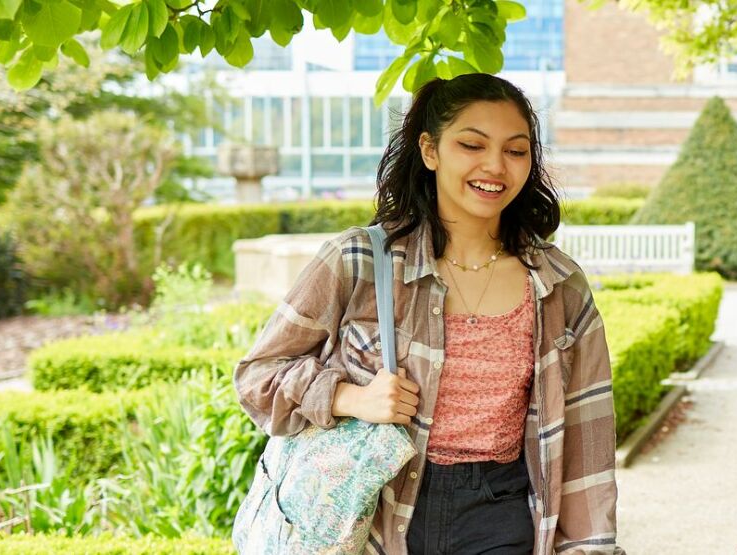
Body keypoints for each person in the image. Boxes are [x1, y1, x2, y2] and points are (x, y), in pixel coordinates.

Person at [235, 73, 624, 555]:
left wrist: (588, 548)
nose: (495, 166)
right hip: (377, 512)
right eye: (472, 144)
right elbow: (257, 375)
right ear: (430, 150)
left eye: (515, 150)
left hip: (500, 514)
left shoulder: (558, 286)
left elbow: (588, 433)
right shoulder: (358, 261)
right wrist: (348, 398)